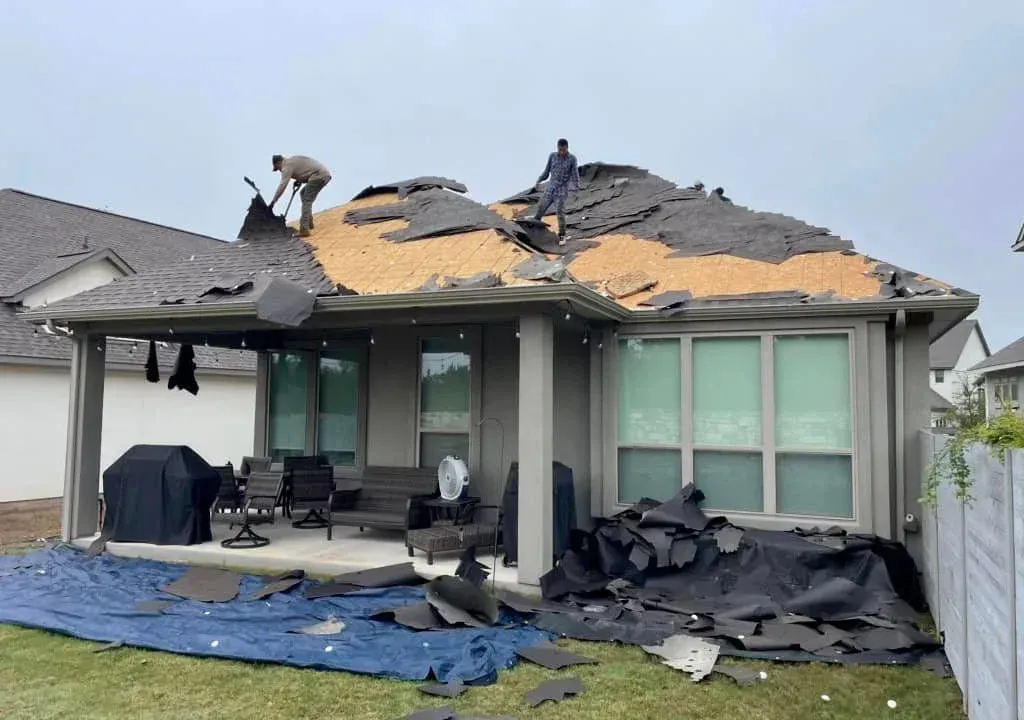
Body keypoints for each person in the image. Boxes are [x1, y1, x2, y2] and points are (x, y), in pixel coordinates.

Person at [532, 138, 581, 245]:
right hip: (550, 188)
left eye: (563, 150)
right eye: (560, 150)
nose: (561, 152)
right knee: (541, 207)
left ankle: (562, 235)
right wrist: (539, 180)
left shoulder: (572, 159)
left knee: (560, 213)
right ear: (557, 148)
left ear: (567, 148)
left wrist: (577, 188)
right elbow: (546, 171)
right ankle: (534, 225)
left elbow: (575, 175)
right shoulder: (552, 156)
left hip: (562, 191)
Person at [269, 154, 332, 237]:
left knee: (307, 200)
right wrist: (300, 179)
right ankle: (309, 223)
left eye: (278, 168)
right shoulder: (292, 160)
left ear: (278, 162)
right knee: (303, 193)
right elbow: (305, 170)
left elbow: (283, 185)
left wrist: (273, 201)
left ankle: (304, 230)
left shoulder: (286, 166)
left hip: (318, 176)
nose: (279, 171)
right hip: (322, 174)